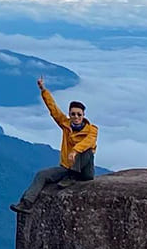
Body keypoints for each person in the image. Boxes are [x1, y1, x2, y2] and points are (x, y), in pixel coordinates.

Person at [10, 77, 97, 213]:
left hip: (84, 171)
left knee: (87, 151)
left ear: (83, 115)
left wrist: (75, 151)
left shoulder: (92, 130)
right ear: (69, 114)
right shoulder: (66, 125)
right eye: (73, 114)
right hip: (66, 167)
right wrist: (43, 90)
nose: (76, 117)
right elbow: (54, 110)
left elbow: (89, 142)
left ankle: (73, 176)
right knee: (42, 175)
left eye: (79, 114)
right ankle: (26, 203)